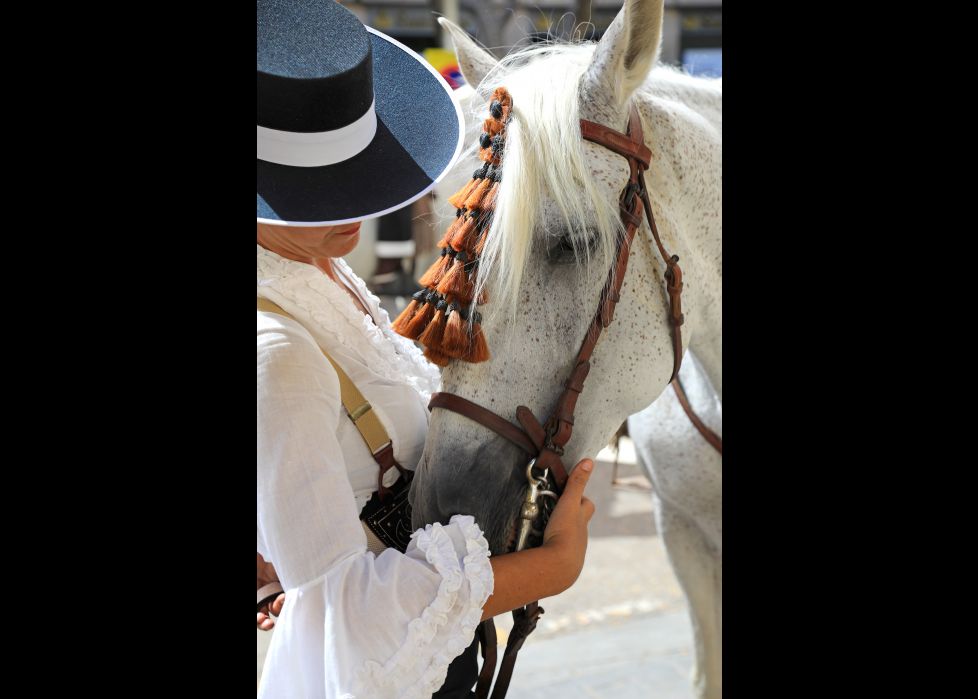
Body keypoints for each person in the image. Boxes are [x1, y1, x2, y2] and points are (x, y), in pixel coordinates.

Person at [256, 2, 596, 698]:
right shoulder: (280, 347)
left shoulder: (315, 272)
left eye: (359, 168)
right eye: (321, 189)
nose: (354, 202)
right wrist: (555, 565)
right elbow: (350, 618)